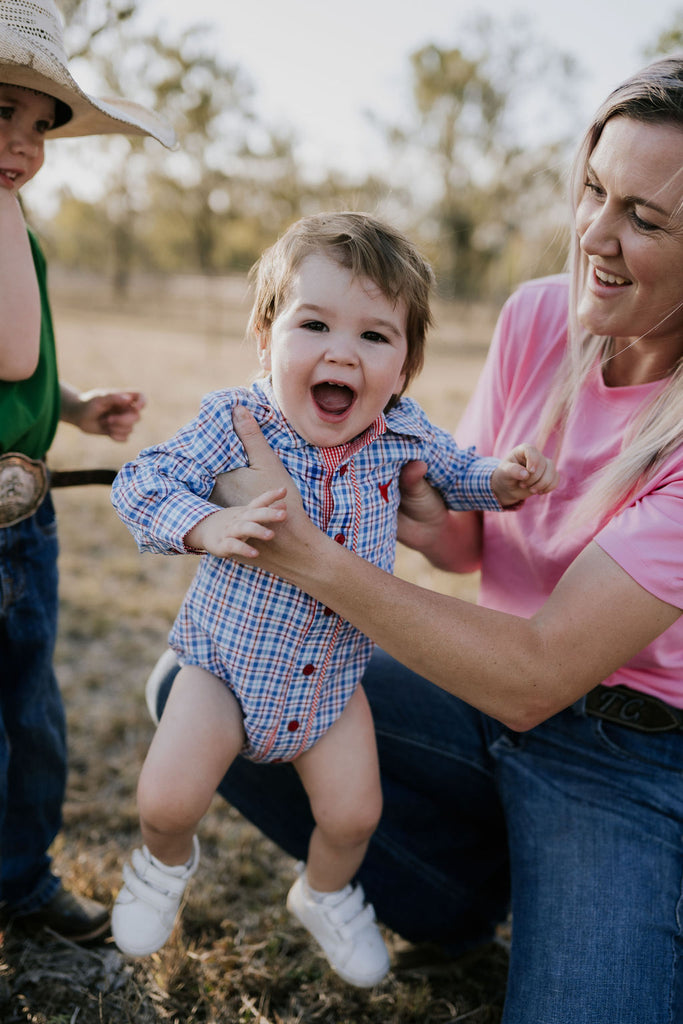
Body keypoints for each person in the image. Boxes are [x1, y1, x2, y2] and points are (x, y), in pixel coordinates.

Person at [146, 56, 683, 1021]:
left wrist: (303, 546)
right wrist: (437, 521)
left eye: (644, 219)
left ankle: (601, 889)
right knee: (204, 687)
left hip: (630, 757)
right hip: (480, 701)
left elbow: (538, 671)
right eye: (594, 191)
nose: (594, 237)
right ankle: (459, 898)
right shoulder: (535, 316)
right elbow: (469, 546)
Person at [109, 211, 558, 984]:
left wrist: (501, 482)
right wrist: (206, 523)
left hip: (332, 681)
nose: (341, 352)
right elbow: (139, 481)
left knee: (354, 816)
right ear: (264, 336)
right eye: (313, 323)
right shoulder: (233, 420)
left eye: (374, 337)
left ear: (404, 366)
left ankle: (325, 893)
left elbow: (454, 469)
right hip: (220, 670)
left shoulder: (399, 433)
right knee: (168, 797)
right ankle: (162, 864)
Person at [0, 0, 175, 943]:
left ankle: (19, 881)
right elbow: (14, 352)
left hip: (23, 520)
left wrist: (73, 410)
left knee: (31, 715)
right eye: (1, 113)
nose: (24, 146)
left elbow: (26, 374)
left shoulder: (15, 232)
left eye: (41, 126)